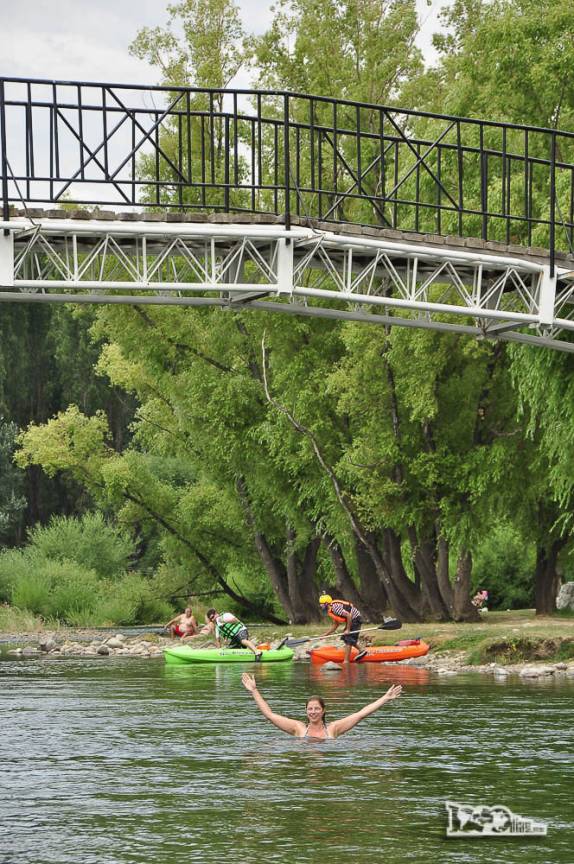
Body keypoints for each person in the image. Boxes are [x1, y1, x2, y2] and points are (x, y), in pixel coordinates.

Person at [241, 673, 402, 739]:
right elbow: (270, 715)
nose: (313, 712)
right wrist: (254, 690)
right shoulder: (298, 729)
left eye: (317, 708)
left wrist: (385, 698)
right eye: (310, 709)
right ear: (306, 711)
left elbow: (361, 714)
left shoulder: (333, 729)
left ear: (323, 710)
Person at [318, 594, 366, 664]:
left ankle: (346, 661)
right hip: (351, 619)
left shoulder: (335, 608)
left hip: (355, 618)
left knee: (348, 638)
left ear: (326, 603)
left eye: (321, 604)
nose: (320, 606)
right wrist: (325, 634)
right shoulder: (331, 610)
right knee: (345, 637)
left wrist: (348, 630)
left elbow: (348, 615)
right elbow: (335, 625)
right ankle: (361, 650)